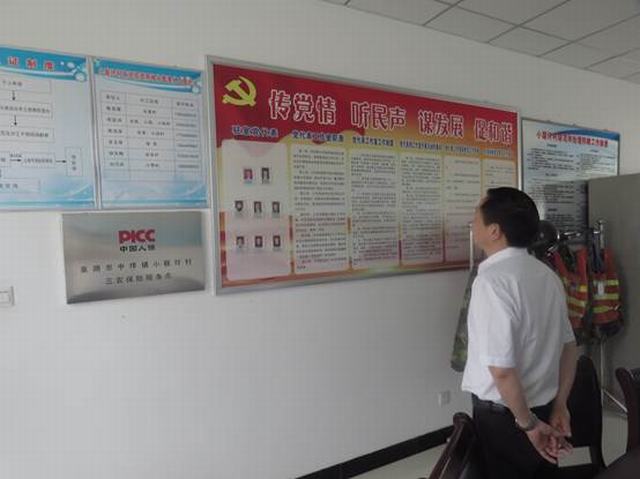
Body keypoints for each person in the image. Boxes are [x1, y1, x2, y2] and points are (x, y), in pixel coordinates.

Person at [461, 187, 578, 479]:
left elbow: (501, 370)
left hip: (509, 418)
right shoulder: (547, 275)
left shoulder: (492, 282)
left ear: (494, 231)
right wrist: (561, 405)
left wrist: (528, 425)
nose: (471, 224)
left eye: (476, 217)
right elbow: (569, 347)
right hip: (546, 407)